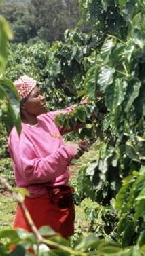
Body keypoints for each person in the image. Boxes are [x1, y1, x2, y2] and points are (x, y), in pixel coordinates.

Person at [8, 75, 89, 238]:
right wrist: (65, 153)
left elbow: (72, 116)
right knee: (40, 253)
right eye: (36, 95)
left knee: (61, 251)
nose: (43, 97)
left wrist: (92, 102)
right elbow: (32, 172)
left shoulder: (47, 120)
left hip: (60, 198)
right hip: (40, 204)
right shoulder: (20, 134)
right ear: (23, 105)